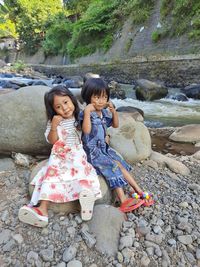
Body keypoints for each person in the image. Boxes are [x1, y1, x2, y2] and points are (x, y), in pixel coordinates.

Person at [18, 85, 102, 227]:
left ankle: (86, 198)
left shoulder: (79, 116)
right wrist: (54, 126)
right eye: (58, 106)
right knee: (52, 174)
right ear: (53, 110)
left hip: (76, 152)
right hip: (60, 154)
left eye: (65, 102)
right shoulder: (54, 122)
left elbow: (90, 130)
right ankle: (42, 210)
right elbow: (52, 140)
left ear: (72, 100)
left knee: (81, 170)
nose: (64, 108)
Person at [80, 78, 154, 213]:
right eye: (96, 97)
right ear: (88, 97)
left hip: (104, 149)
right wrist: (86, 112)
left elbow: (115, 125)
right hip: (93, 152)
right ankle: (123, 199)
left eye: (104, 97)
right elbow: (86, 131)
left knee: (119, 162)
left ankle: (138, 190)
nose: (101, 101)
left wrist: (113, 112)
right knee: (112, 166)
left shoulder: (103, 113)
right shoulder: (86, 114)